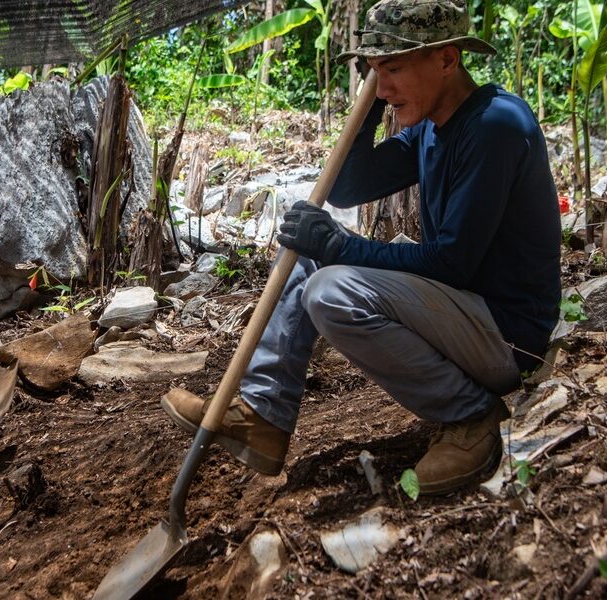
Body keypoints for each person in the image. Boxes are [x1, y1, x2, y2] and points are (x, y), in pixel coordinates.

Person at [162, 0, 561, 495]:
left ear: (447, 59)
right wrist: (372, 104)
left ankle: (471, 416)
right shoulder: (431, 130)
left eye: (392, 68)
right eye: (374, 71)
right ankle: (263, 415)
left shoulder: (494, 126)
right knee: (310, 258)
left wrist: (339, 243)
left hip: (505, 336)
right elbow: (348, 187)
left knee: (330, 290)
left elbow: (452, 262)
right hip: (462, 316)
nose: (383, 84)